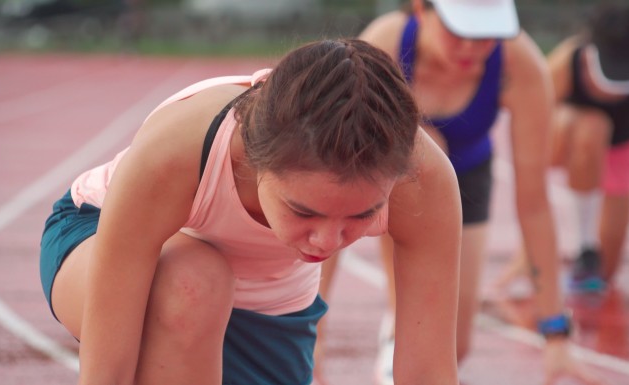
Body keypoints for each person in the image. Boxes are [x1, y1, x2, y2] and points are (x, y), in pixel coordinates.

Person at [38, 38, 463, 385]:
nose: (328, 243)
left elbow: (428, 372)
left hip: (271, 300)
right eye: (304, 212)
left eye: (360, 217)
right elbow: (107, 373)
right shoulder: (178, 149)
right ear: (255, 162)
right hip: (103, 243)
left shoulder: (422, 182)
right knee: (194, 282)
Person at [316, 1, 603, 385]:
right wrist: (312, 328)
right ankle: (403, 313)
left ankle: (399, 326)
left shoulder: (521, 66)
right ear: (421, 9)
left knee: (452, 349)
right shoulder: (382, 46)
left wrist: (555, 334)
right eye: (460, 32)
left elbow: (534, 203)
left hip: (467, 174)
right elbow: (329, 184)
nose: (472, 48)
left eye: (486, 35)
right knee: (422, 145)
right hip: (386, 175)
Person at [495, 2, 629, 292]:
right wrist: (530, 246)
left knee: (607, 273)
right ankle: (584, 249)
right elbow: (528, 151)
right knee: (593, 127)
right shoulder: (566, 64)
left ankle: (593, 261)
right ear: (590, 50)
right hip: (563, 139)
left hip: (620, 149)